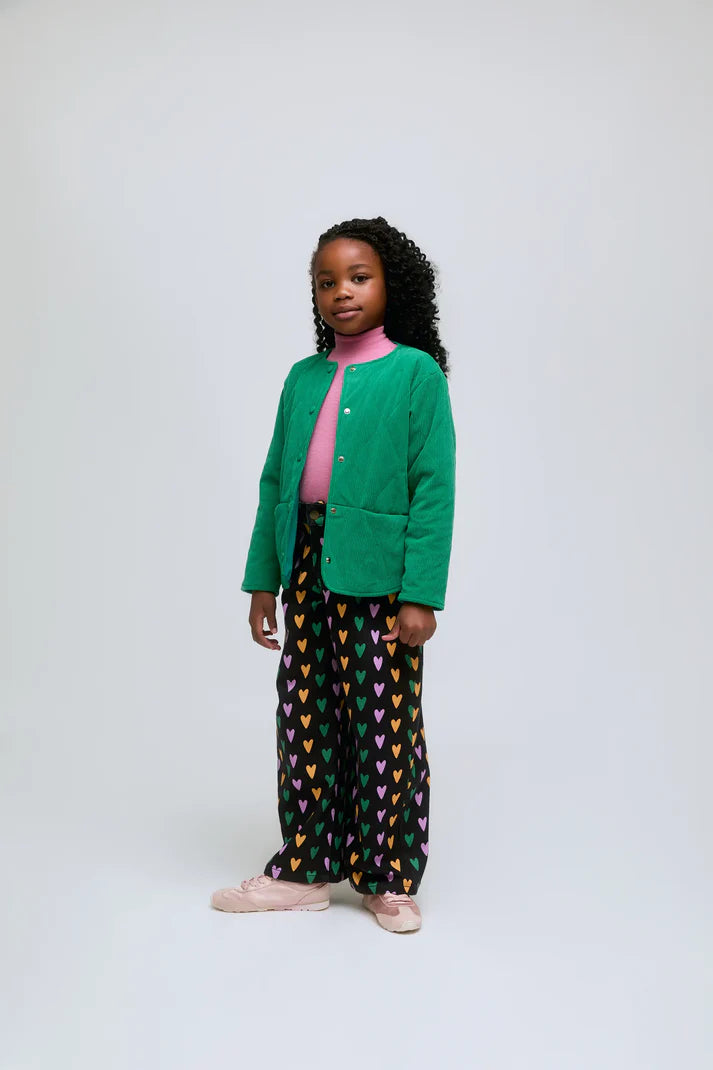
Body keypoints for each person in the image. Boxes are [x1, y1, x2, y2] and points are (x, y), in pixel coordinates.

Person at [211, 215, 457, 934]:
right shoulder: (303, 377)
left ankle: (388, 877)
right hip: (305, 565)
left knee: (383, 725)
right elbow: (274, 482)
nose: (341, 291)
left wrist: (420, 594)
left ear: (391, 286)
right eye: (326, 281)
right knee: (306, 721)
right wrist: (264, 579)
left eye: (358, 277)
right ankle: (306, 867)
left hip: (380, 576)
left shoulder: (415, 373)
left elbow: (433, 489)